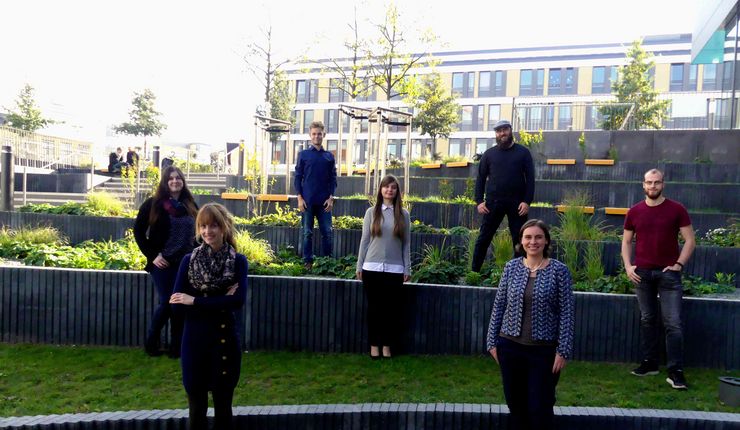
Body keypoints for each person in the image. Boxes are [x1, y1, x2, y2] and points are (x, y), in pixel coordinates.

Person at [487, 219, 574, 430]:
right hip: (510, 347)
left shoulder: (559, 271)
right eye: (528, 237)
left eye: (538, 237)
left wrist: (563, 350)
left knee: (540, 407)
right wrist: (491, 343)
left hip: (543, 352)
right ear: (521, 241)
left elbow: (567, 313)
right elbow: (499, 305)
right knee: (515, 405)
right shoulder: (511, 268)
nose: (532, 242)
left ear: (546, 241)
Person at [170, 203, 248, 430]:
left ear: (224, 228)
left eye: (214, 226)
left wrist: (194, 299)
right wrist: (220, 299)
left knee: (224, 410)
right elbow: (176, 306)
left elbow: (237, 301)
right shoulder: (189, 261)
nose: (208, 232)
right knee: (196, 412)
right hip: (194, 343)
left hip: (224, 343)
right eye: (203, 226)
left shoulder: (238, 261)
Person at [622, 168, 695, 390]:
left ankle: (676, 371)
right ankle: (650, 363)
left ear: (663, 184)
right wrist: (628, 266)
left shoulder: (677, 210)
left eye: (657, 183)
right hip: (642, 273)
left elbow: (690, 240)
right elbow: (626, 242)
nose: (652, 186)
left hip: (668, 274)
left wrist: (679, 265)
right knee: (647, 319)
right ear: (643, 185)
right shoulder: (634, 211)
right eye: (649, 183)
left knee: (672, 322)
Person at [134, 166, 198, 358]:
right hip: (162, 263)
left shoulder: (190, 204)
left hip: (184, 262)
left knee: (178, 304)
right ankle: (151, 343)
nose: (175, 181)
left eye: (178, 178)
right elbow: (138, 232)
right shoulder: (153, 204)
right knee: (166, 302)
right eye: (170, 179)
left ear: (183, 181)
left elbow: (199, 232)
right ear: (165, 182)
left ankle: (175, 347)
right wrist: (153, 255)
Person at [355, 175, 411, 359]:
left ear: (397, 191)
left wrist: (407, 268)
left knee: (391, 311)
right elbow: (364, 241)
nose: (389, 190)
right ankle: (374, 346)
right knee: (374, 310)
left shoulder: (404, 215)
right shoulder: (371, 212)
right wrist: (359, 265)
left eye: (393, 188)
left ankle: (386, 346)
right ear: (381, 190)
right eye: (386, 187)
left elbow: (406, 244)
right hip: (372, 268)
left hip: (395, 270)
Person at [471, 119, 535, 273]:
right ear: (496, 134)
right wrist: (479, 201)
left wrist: (527, 202)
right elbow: (480, 178)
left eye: (505, 130)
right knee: (483, 238)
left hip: (517, 204)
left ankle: (520, 274)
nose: (502, 133)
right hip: (493, 204)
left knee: (520, 241)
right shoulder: (489, 154)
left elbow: (531, 179)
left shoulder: (523, 152)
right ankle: (474, 273)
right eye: (499, 131)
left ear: (510, 130)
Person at [294, 120, 337, 269]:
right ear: (310, 135)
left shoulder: (329, 157)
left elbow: (333, 179)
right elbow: (298, 177)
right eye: (314, 134)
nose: (317, 136)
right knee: (307, 233)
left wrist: (331, 198)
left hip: (324, 202)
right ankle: (308, 262)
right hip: (307, 202)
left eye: (319, 134)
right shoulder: (303, 155)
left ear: (323, 135)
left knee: (327, 232)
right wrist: (299, 198)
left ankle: (328, 262)